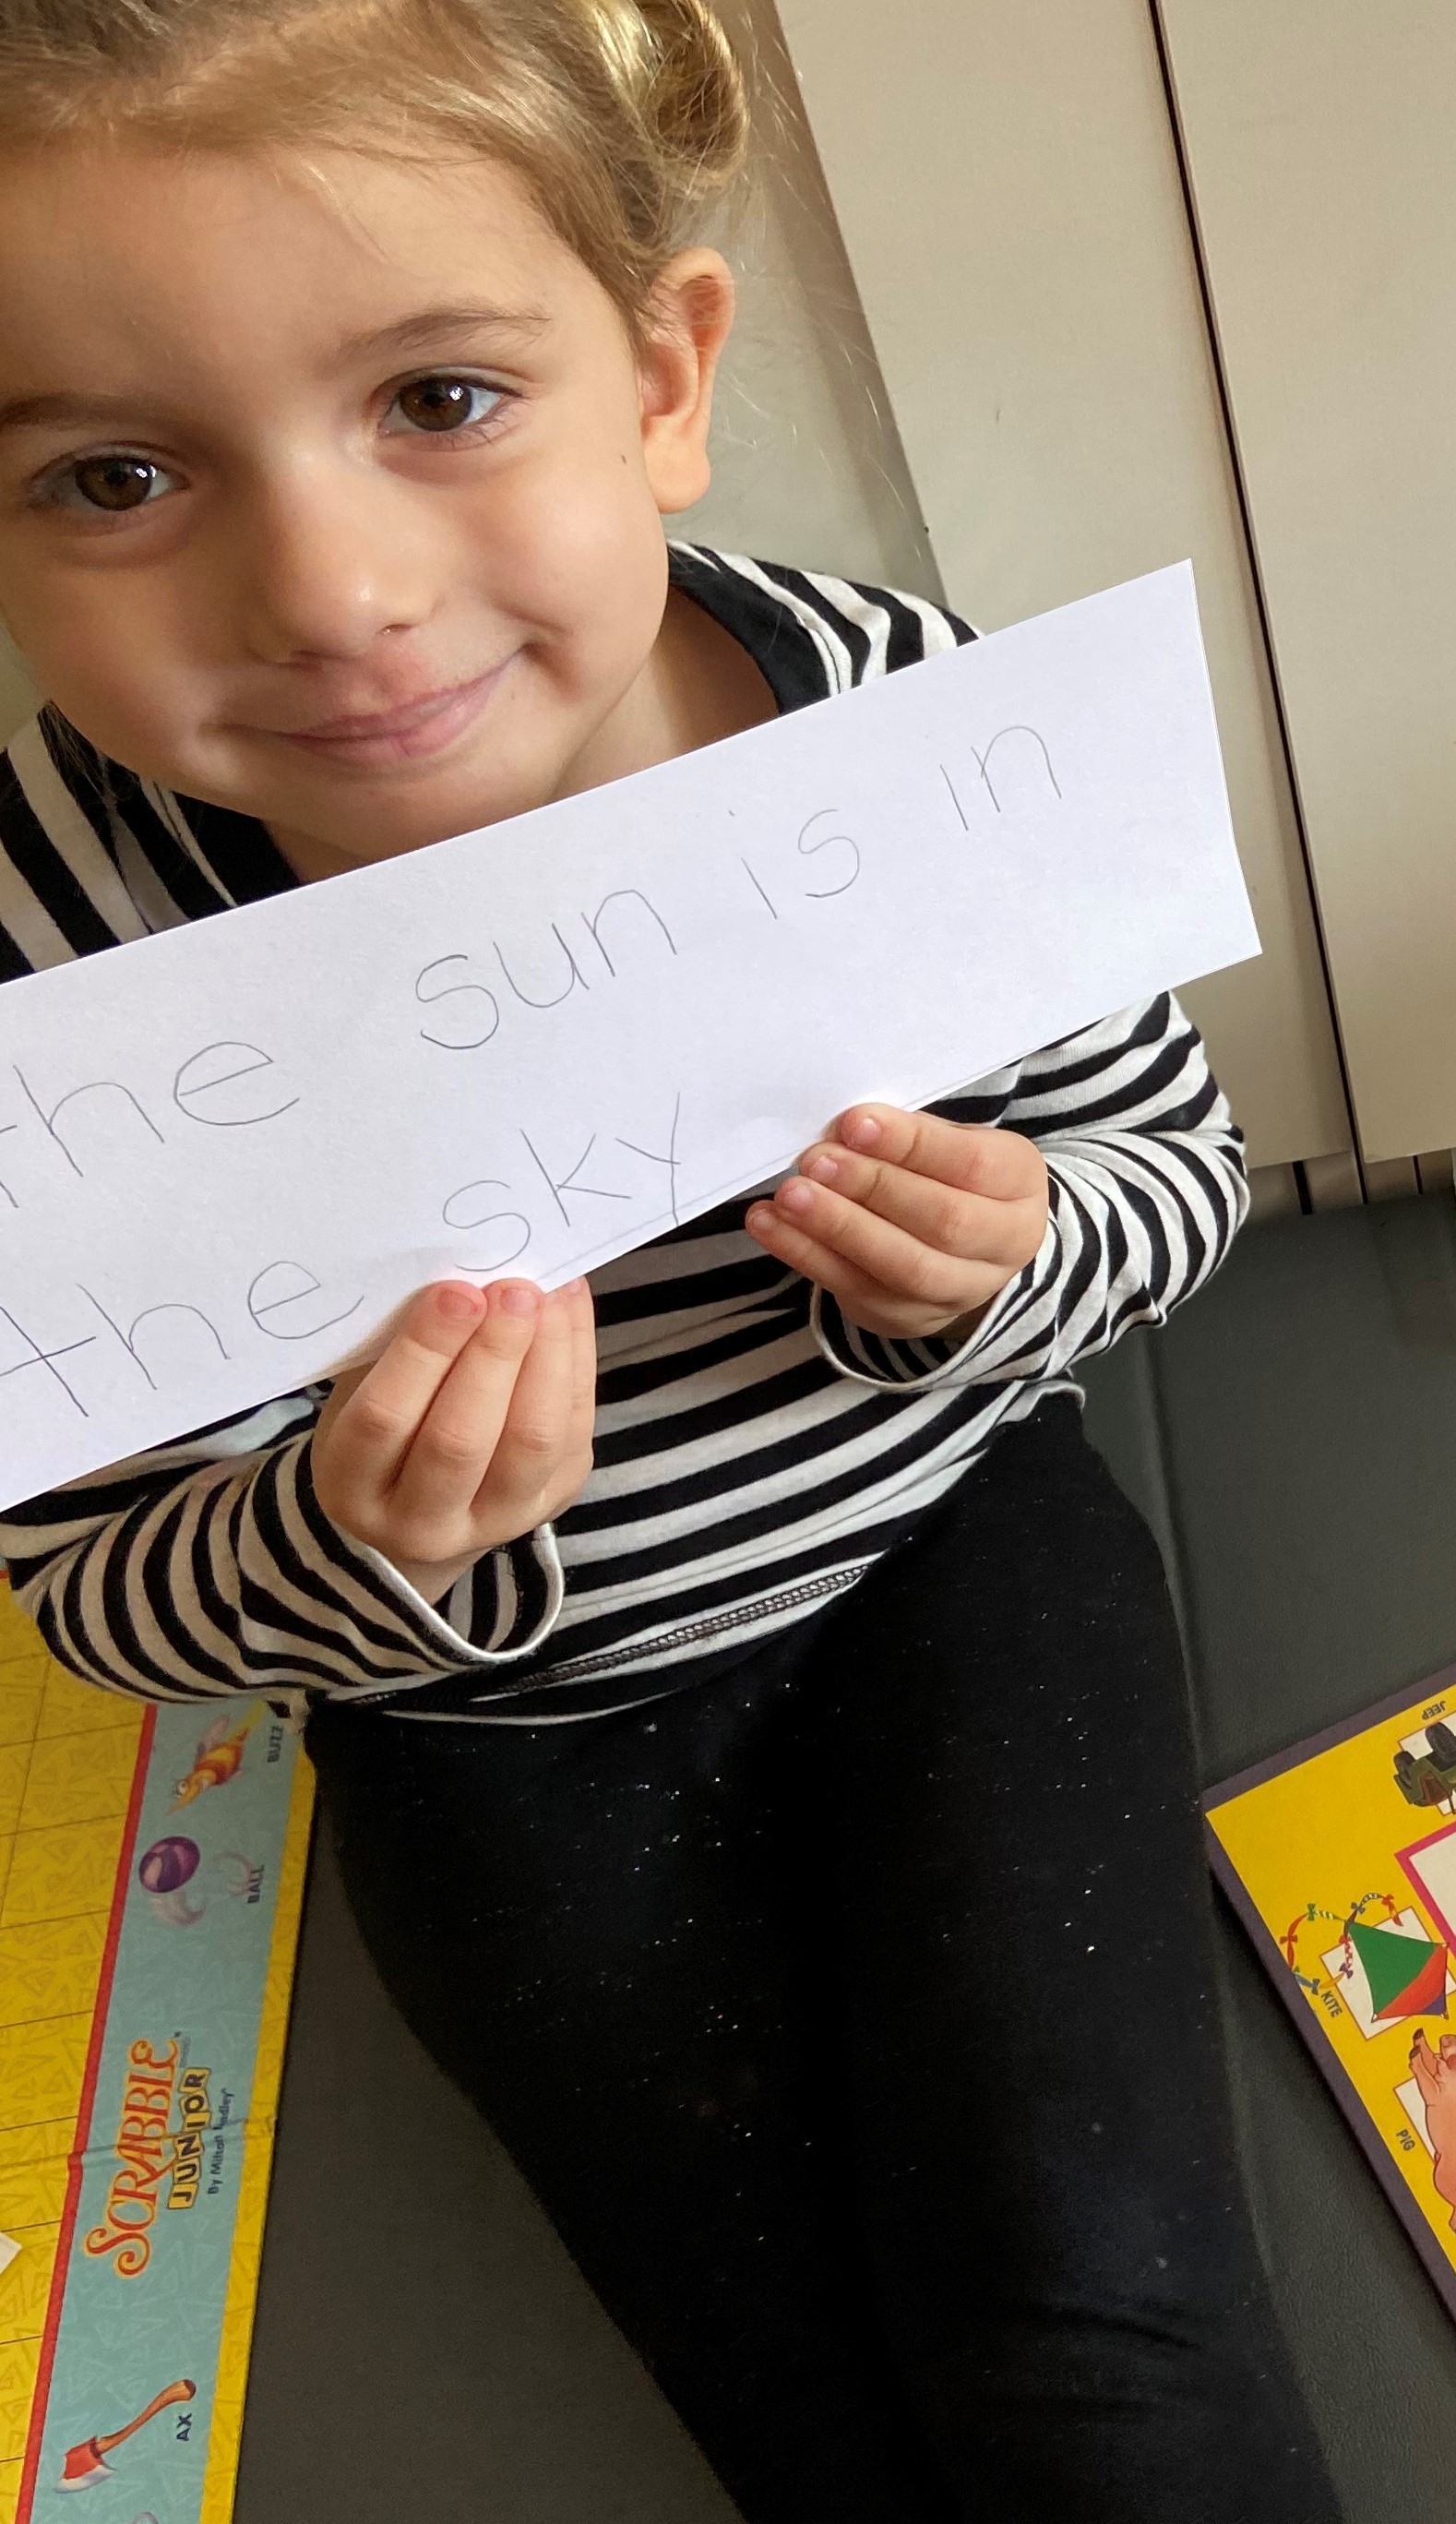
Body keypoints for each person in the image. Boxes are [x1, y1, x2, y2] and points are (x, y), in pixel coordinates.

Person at [0, 5, 1339, 2517]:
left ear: (660, 373)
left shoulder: (873, 720)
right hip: (481, 1724)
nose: (334, 593)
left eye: (436, 400)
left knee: (1097, 2311)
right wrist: (361, 1544)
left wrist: (1015, 1247)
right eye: (113, 471)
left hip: (951, 1553)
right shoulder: (43, 959)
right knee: (784, 2377)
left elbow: (1173, 1157)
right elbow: (85, 1588)